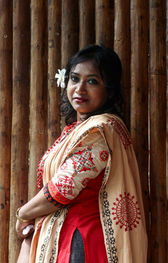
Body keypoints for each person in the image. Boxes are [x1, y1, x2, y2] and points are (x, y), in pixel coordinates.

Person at [16, 45, 147, 263]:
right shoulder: (79, 131)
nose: (80, 89)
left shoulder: (99, 131)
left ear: (110, 89)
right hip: (68, 238)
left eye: (92, 81)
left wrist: (23, 214)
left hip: (82, 242)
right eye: (75, 79)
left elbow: (62, 188)